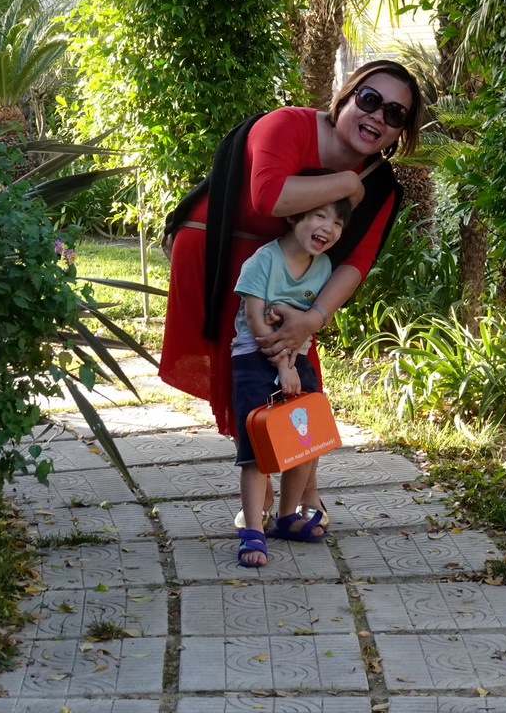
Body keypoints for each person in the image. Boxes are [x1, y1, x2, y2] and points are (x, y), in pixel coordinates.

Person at [159, 59, 423, 528]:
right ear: (345, 98)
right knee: (254, 377)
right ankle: (261, 498)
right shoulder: (285, 125)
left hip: (296, 268)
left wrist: (314, 318)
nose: (379, 117)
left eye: (396, 115)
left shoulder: (380, 184)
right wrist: (345, 183)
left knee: (304, 373)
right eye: (370, 100)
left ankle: (302, 493)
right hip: (222, 251)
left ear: (400, 132)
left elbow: (355, 263)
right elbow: (269, 198)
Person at [232, 176, 352, 566]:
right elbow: (255, 320)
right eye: (320, 215)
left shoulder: (324, 267)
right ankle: (253, 530)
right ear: (294, 216)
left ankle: (287, 517)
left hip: (298, 360)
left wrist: (294, 344)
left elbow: (311, 320)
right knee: (256, 450)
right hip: (255, 358)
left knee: (306, 442)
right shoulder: (263, 261)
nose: (328, 229)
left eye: (337, 223)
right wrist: (284, 366)